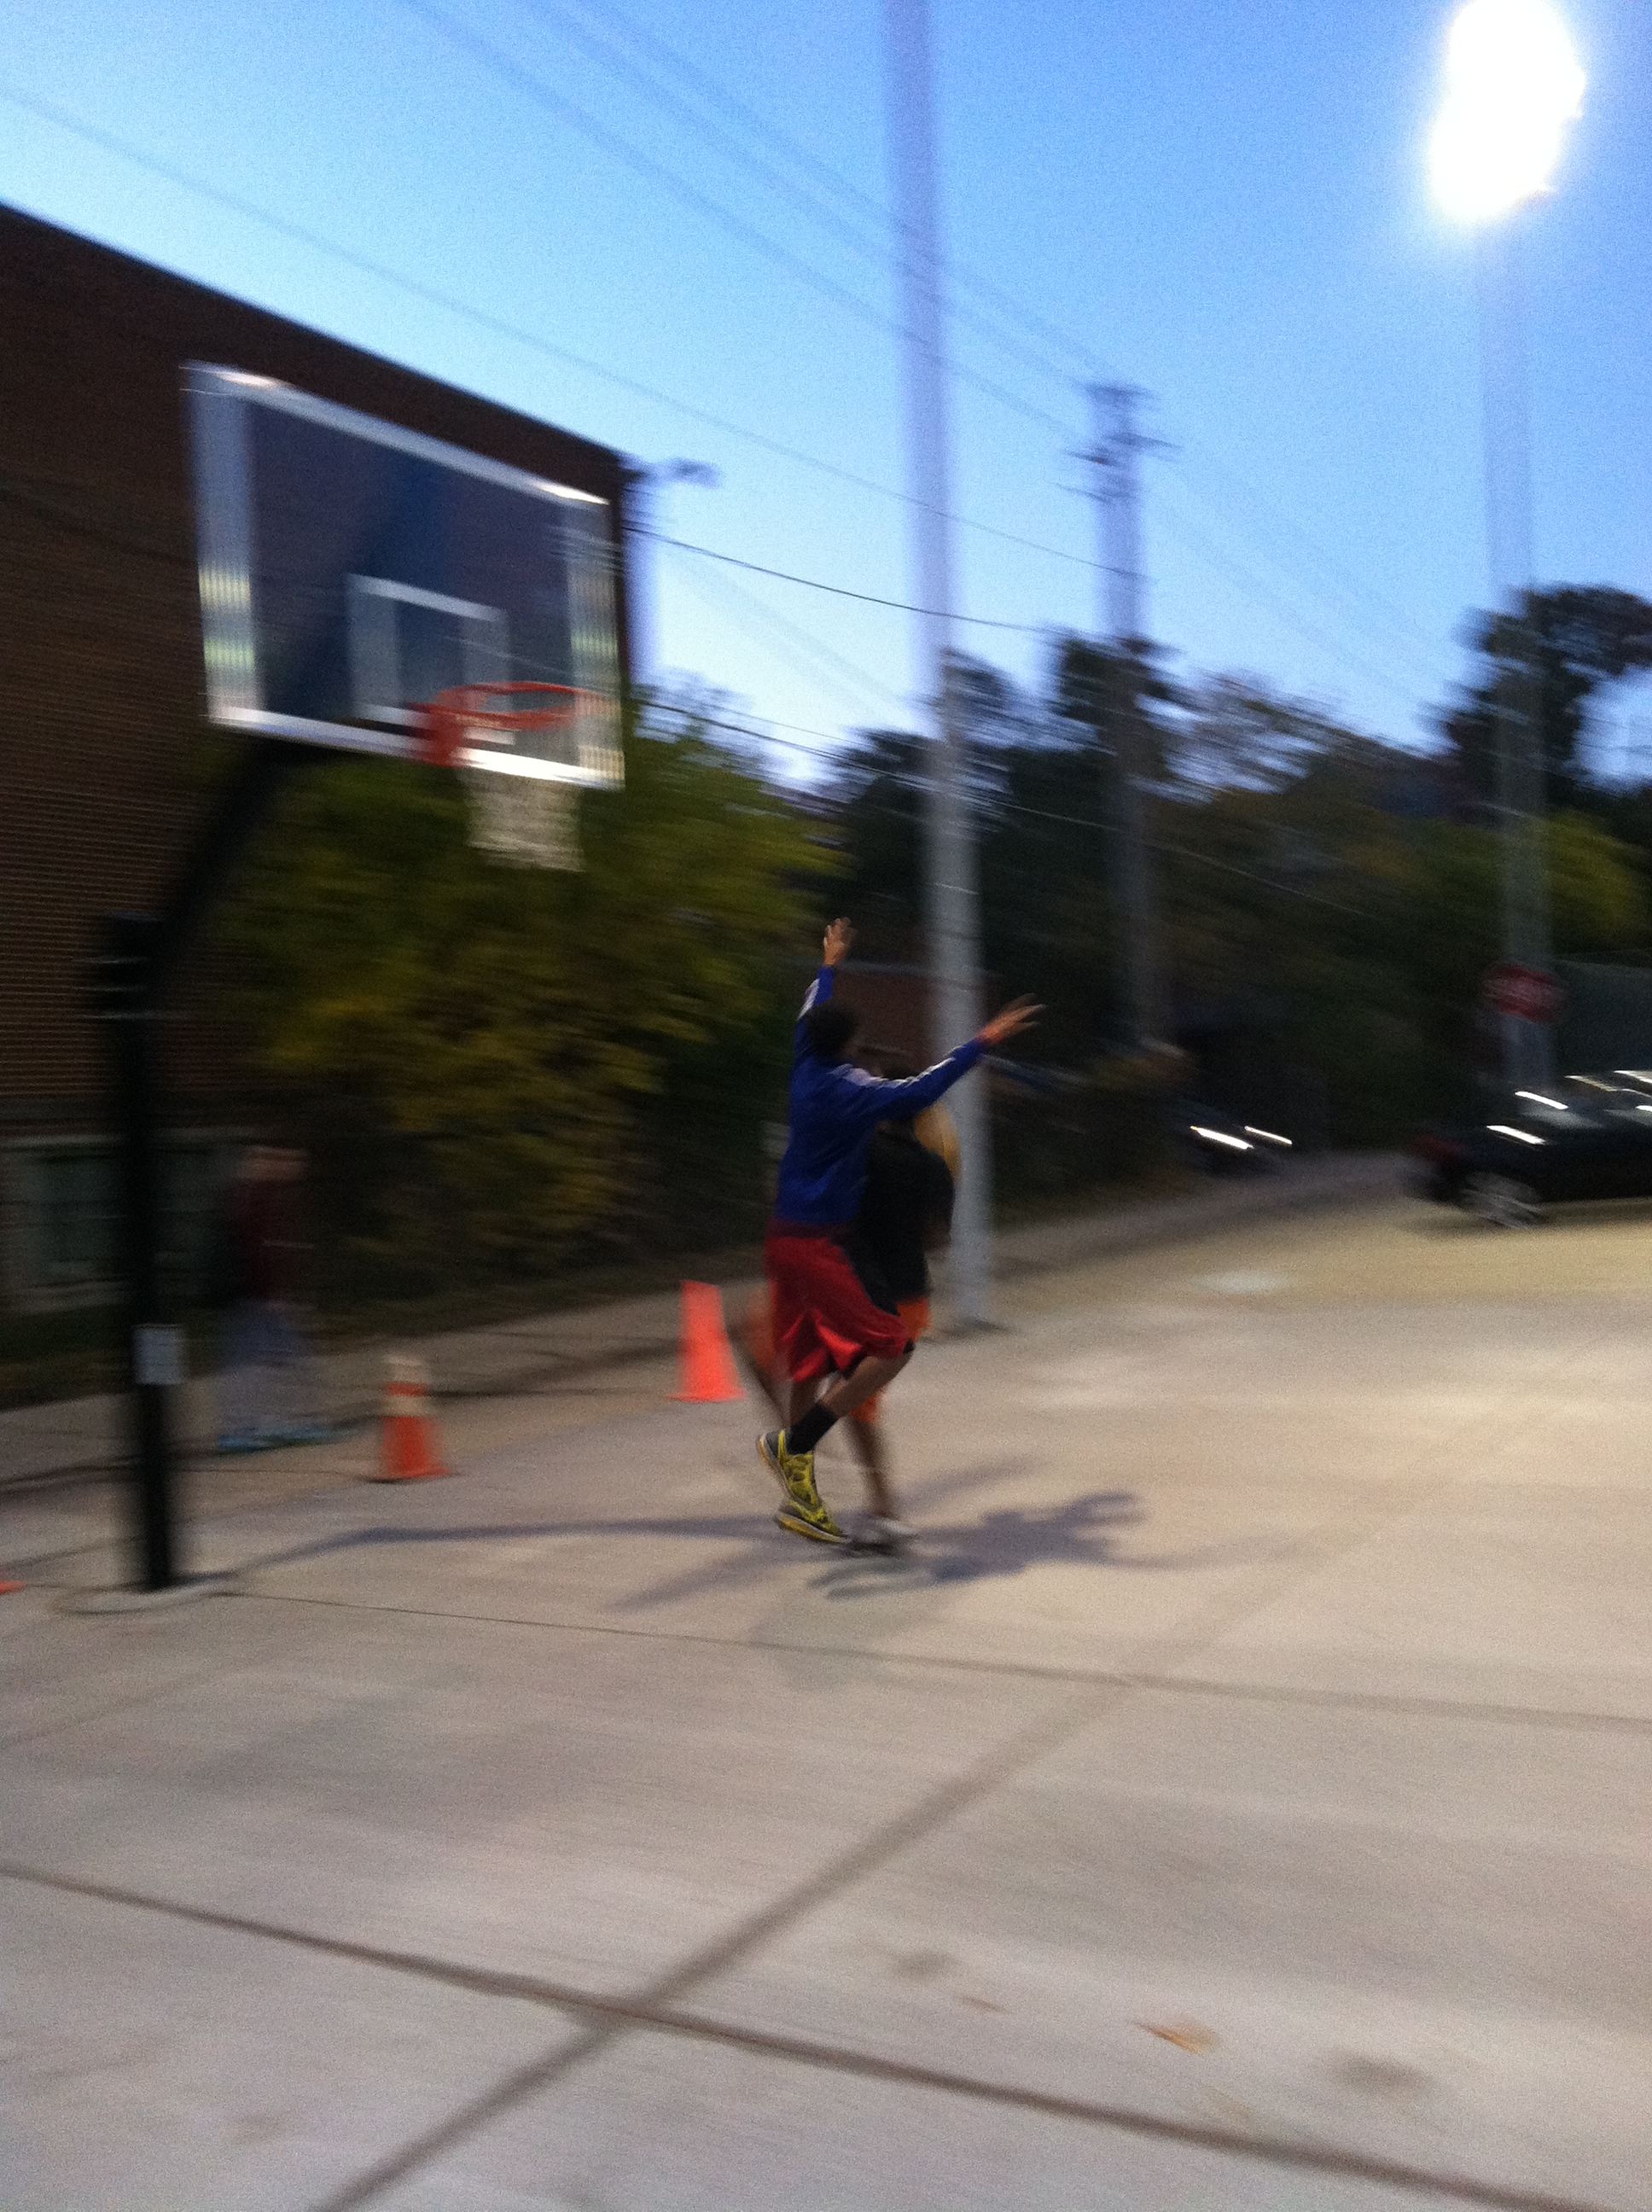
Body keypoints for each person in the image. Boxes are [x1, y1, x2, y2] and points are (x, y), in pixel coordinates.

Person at [759, 917, 1038, 1544]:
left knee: (804, 1366)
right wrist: (985, 1039)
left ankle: (800, 1499)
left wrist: (830, 963)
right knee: (889, 1350)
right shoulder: (853, 1094)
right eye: (859, 1044)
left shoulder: (806, 1061)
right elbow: (924, 1088)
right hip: (816, 1244)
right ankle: (795, 1447)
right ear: (850, 1049)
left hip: (782, 1234)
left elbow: (812, 1007)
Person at [736, 1068, 955, 1552]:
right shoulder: (935, 1166)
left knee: (789, 1366)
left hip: (848, 1291)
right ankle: (853, 1492)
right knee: (853, 1401)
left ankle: (812, 1462)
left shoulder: (855, 1156)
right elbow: (937, 1241)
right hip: (908, 1298)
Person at [214, 1144, 329, 1452]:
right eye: (290, 1161)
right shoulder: (256, 1198)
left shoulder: (247, 1196)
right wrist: (273, 1294)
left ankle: (265, 1425)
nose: (295, 1168)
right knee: (274, 1362)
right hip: (258, 1297)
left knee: (267, 1361)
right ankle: (256, 1428)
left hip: (252, 1295)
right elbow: (258, 1252)